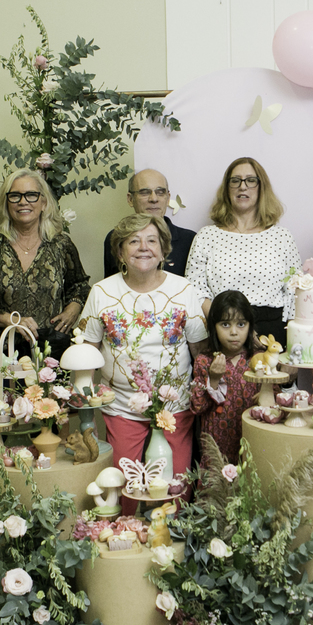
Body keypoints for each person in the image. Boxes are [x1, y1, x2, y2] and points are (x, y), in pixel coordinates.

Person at [82, 213, 208, 514]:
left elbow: (201, 352)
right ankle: (125, 540)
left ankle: (171, 541)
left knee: (176, 491)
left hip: (174, 409)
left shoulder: (184, 290)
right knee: (122, 490)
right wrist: (84, 409)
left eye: (152, 240)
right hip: (121, 408)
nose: (143, 247)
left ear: (164, 250)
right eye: (133, 241)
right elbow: (87, 353)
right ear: (120, 252)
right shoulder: (101, 292)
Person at [0, 168, 89, 406]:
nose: (23, 202)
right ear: (6, 202)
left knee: (50, 420)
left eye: (31, 195)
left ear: (43, 202)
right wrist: (8, 319)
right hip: (1, 354)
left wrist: (73, 308)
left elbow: (80, 285)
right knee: (4, 422)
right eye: (15, 195)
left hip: (51, 354)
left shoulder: (60, 243)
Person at [185, 157, 300, 344]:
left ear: (261, 188)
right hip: (225, 334)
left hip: (273, 335)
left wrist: (294, 342)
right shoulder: (206, 236)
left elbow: (295, 292)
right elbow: (195, 290)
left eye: (251, 180)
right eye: (235, 181)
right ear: (227, 189)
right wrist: (231, 324)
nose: (242, 187)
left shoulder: (282, 237)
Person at [190, 291, 262, 465]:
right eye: (225, 324)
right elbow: (197, 407)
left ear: (250, 326)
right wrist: (213, 379)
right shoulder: (205, 361)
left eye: (241, 324)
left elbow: (273, 403)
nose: (234, 332)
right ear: (213, 326)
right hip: (216, 447)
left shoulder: (259, 359)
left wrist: (266, 394)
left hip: (252, 442)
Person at [102, 169, 196, 278]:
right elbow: (112, 284)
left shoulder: (190, 240)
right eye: (145, 192)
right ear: (130, 199)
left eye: (160, 192)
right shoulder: (117, 238)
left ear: (168, 198)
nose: (154, 199)